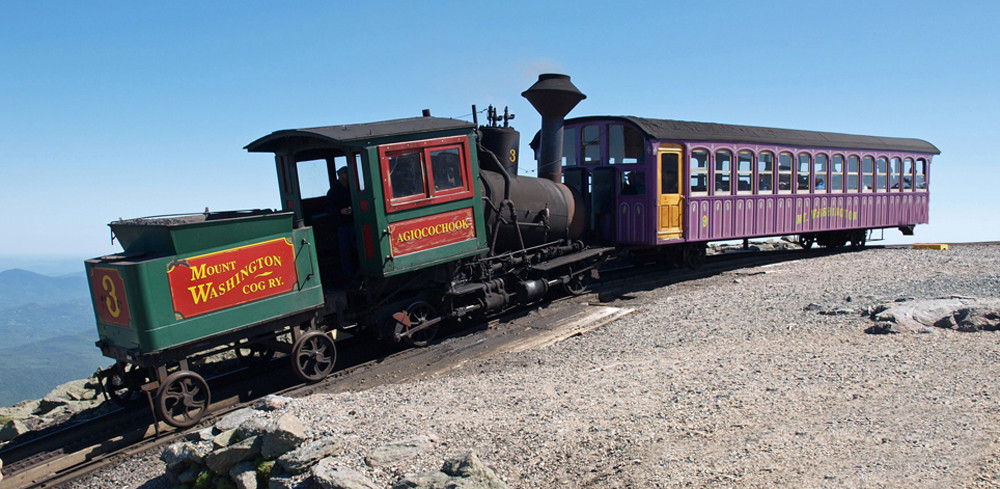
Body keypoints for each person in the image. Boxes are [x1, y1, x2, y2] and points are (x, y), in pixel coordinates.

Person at [326, 167, 356, 281]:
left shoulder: (353, 187)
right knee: (345, 252)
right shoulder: (333, 192)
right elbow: (328, 209)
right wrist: (340, 211)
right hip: (342, 225)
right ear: (341, 176)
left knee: (357, 248)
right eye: (346, 173)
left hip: (354, 222)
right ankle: (349, 276)